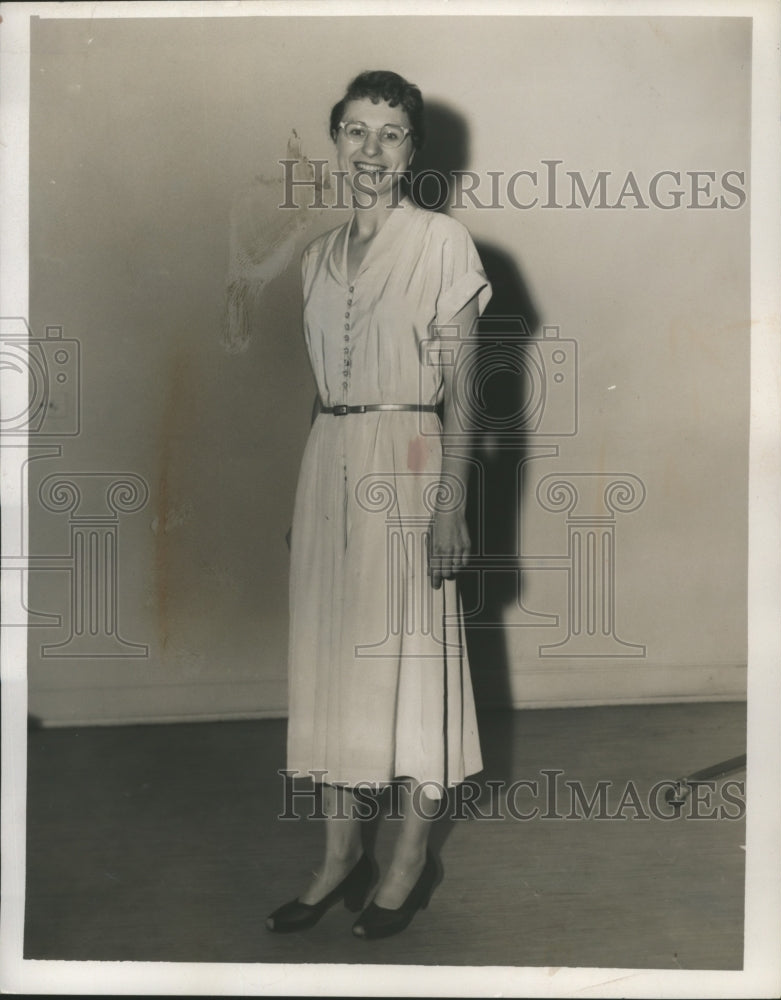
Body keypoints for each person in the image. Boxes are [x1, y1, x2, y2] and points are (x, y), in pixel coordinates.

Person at [266, 70, 492, 940]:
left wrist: (451, 505)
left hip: (410, 463)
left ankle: (405, 864)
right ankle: (335, 858)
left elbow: (465, 392)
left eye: (390, 134)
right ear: (335, 141)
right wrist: (308, 495)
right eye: (355, 131)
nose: (370, 151)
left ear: (412, 151)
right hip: (330, 468)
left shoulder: (441, 242)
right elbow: (326, 392)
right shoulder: (318, 257)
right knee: (329, 667)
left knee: (416, 668)